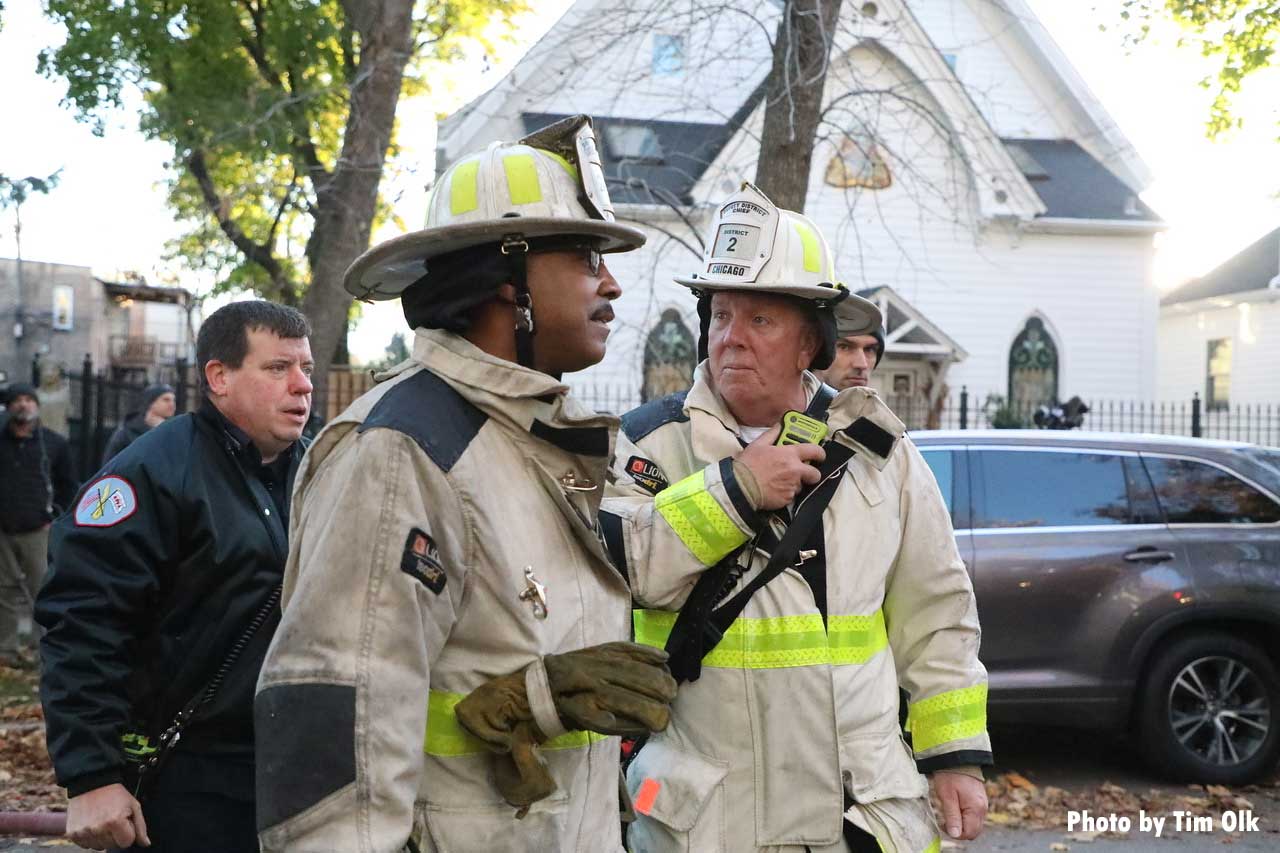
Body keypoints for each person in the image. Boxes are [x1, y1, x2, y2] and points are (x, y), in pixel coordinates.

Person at [254, 115, 677, 853]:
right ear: (504, 276)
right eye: (583, 255)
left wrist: (539, 699)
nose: (611, 283)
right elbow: (335, 722)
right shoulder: (401, 451)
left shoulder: (541, 442)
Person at [600, 183, 991, 853]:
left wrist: (953, 754)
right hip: (710, 817)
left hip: (859, 814)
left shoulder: (878, 450)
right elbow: (626, 571)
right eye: (721, 315)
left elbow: (937, 608)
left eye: (759, 321)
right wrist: (738, 487)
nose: (731, 339)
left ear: (811, 339)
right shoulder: (648, 444)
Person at [35, 301, 314, 852]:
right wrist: (92, 776)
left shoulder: (320, 469)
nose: (303, 385)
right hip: (186, 779)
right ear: (219, 377)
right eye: (278, 368)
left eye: (305, 367)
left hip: (294, 768)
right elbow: (83, 623)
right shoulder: (151, 474)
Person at [0, 383, 76, 667]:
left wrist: (56, 518)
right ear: (8, 407)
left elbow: (69, 486)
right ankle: (5, 651)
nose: (23, 405)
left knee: (43, 591)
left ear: (37, 405)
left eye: (28, 400)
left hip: (38, 529)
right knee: (3, 591)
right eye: (17, 400)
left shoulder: (54, 444)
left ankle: (43, 649)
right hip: (3, 531)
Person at [102, 384, 177, 463]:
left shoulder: (174, 432)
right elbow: (109, 467)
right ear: (151, 403)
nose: (172, 404)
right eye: (166, 400)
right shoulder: (126, 433)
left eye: (173, 400)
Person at [815, 309, 885, 391]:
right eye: (844, 347)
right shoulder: (798, 403)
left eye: (869, 349)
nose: (862, 364)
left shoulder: (876, 403)